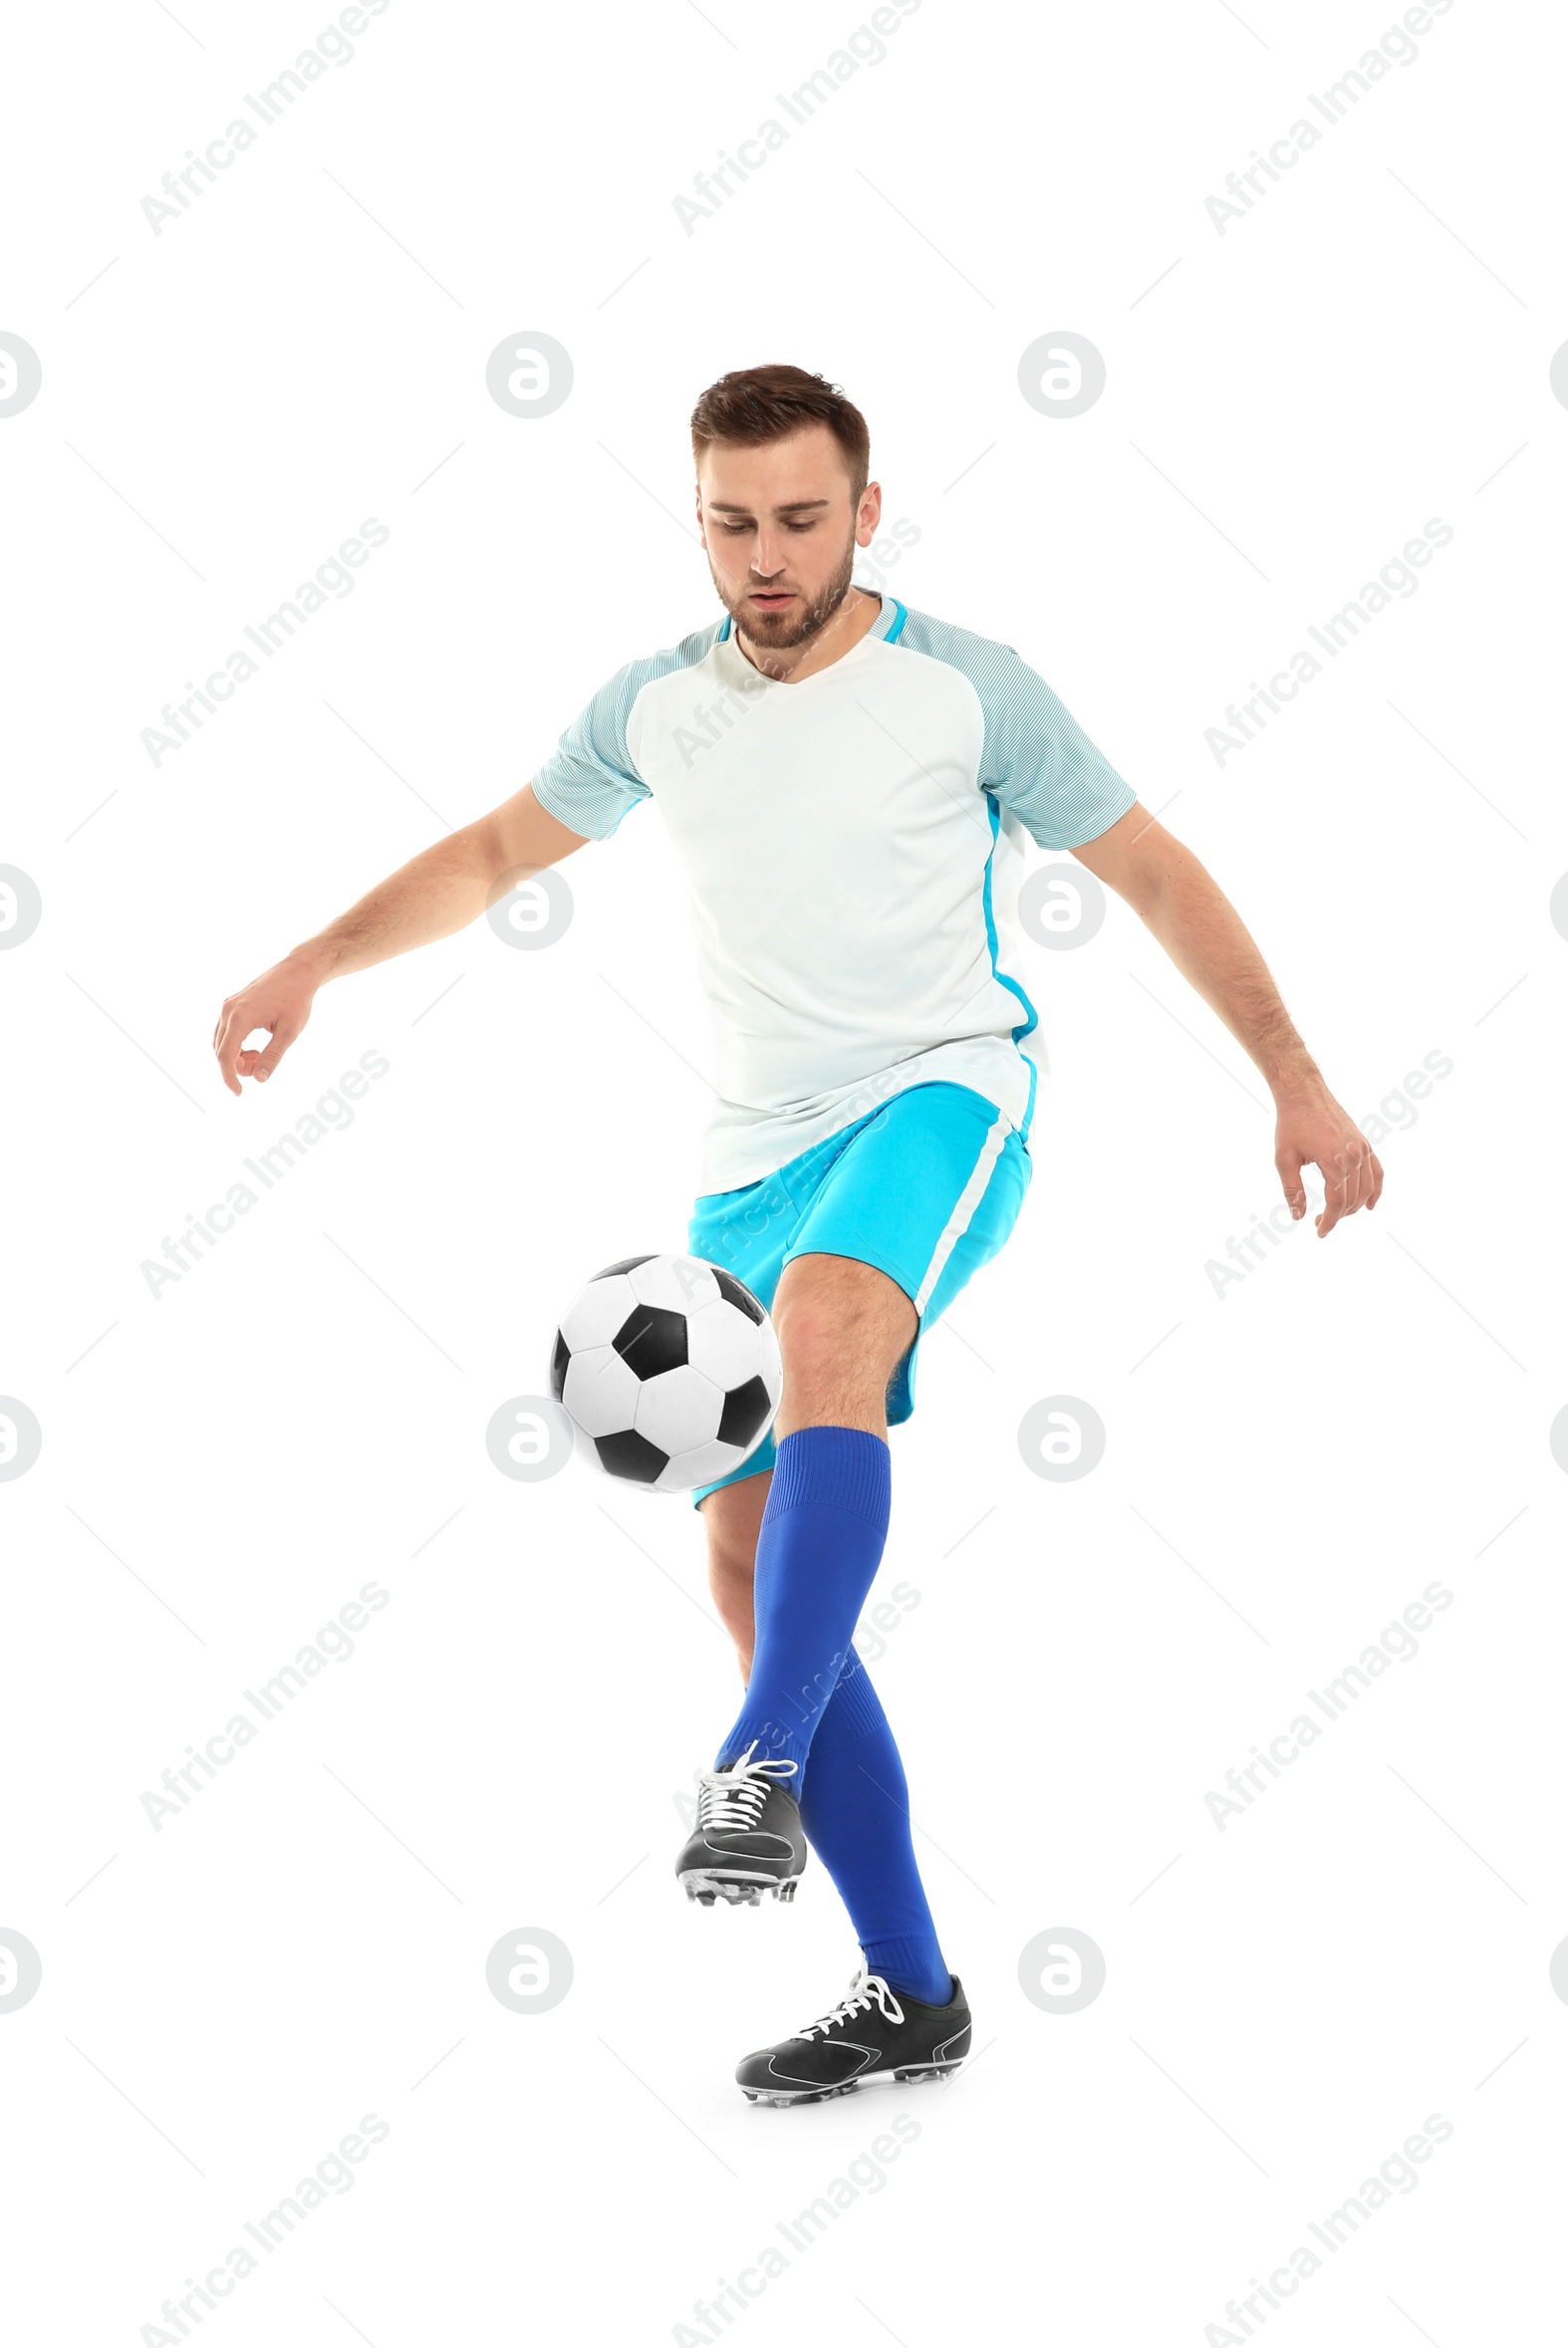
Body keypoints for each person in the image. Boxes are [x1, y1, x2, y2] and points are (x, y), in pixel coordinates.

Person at [212, 364, 1383, 2106]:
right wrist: (310, 959)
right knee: (750, 1569)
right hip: (750, 1157)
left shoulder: (968, 690)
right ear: (696, 519)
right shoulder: (655, 705)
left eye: (801, 518)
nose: (767, 557)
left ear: (867, 511)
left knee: (839, 1316)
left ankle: (749, 1764)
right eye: (732, 522)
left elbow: (1150, 870)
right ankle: (911, 1992)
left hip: (941, 1094)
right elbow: (490, 851)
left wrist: (1294, 1076)